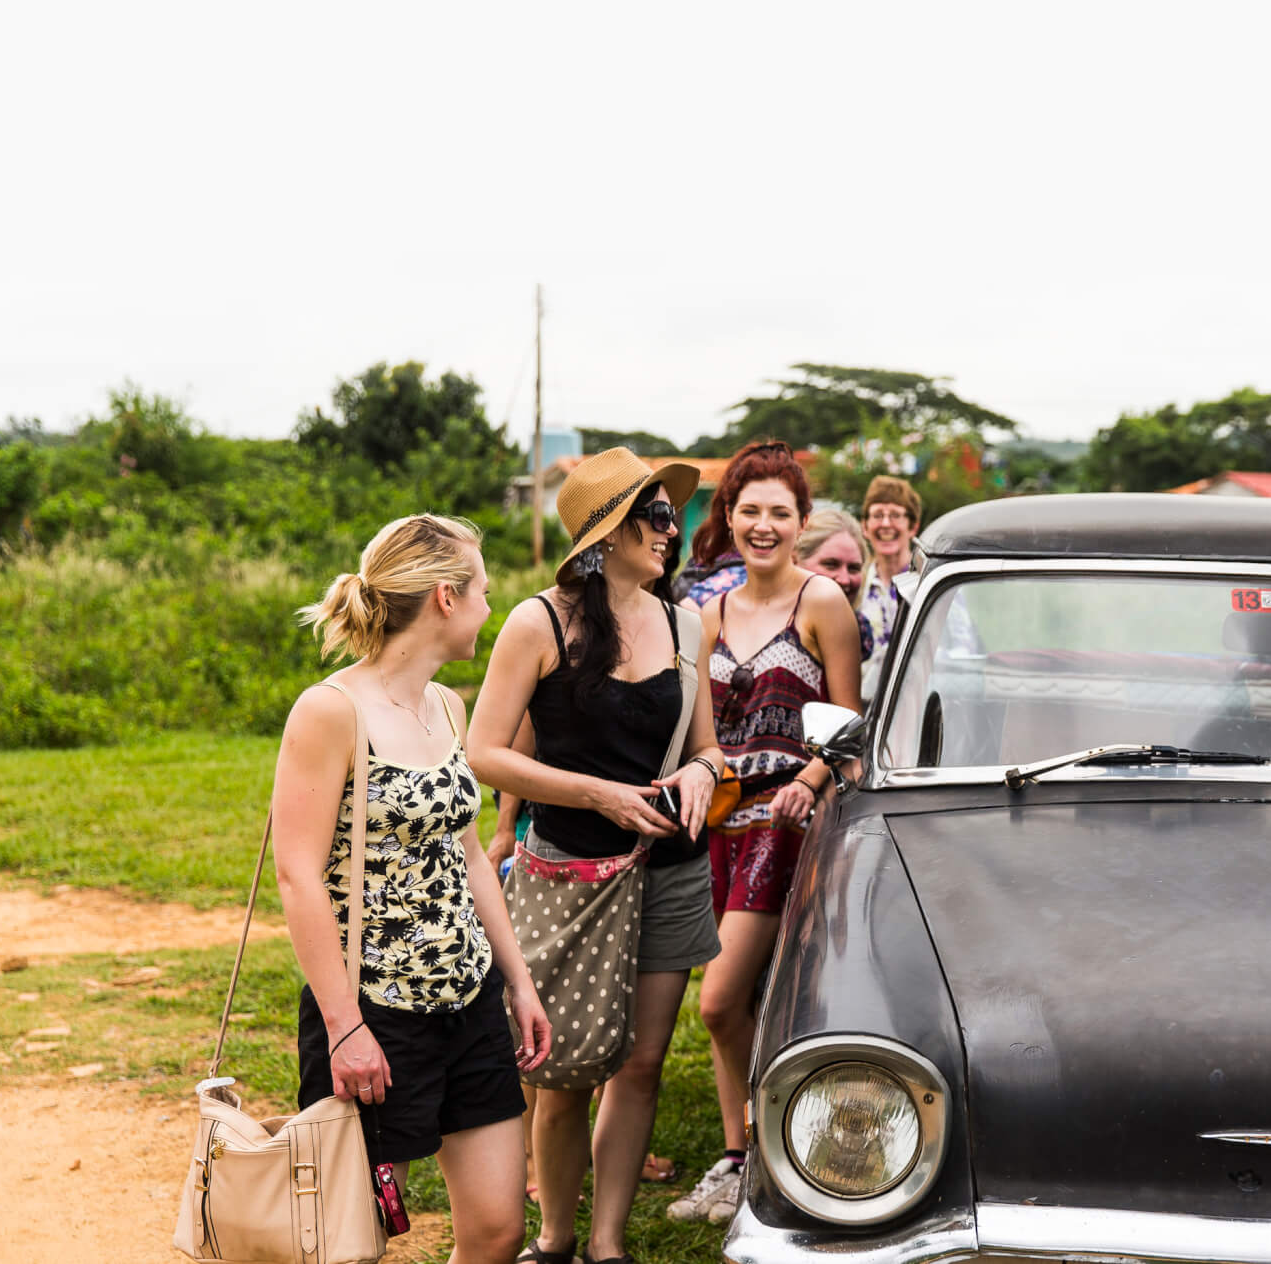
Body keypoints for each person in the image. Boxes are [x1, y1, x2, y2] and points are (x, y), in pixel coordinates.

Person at [468, 448, 727, 1264]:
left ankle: (607, 1244)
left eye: (671, 514)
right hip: (569, 870)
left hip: (669, 871)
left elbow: (713, 750)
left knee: (642, 1061)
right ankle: (555, 1237)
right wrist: (596, 794)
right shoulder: (536, 621)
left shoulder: (688, 622)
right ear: (605, 532)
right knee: (564, 1067)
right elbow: (483, 751)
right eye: (653, 513)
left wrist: (697, 769)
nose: (670, 528)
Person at [272, 514, 553, 1264]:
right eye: (485, 592)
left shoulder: (447, 705)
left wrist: (517, 980)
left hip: (469, 1001)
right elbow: (297, 874)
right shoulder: (331, 710)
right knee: (345, 1239)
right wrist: (343, 1025)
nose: (494, 609)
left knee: (497, 1229)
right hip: (374, 1012)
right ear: (445, 598)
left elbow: (465, 853)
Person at [667, 441, 863, 1226]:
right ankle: (740, 1157)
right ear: (729, 516)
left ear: (802, 521)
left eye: (780, 512)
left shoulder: (822, 603)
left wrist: (808, 783)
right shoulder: (707, 613)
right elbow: (698, 728)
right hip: (715, 825)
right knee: (736, 998)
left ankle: (763, 1150)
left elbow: (849, 720)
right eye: (750, 509)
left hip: (788, 824)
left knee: (718, 1002)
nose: (763, 524)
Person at [858, 475, 922, 698]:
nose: (886, 524)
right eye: (877, 515)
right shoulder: (854, 585)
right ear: (864, 527)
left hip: (914, 703)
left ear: (913, 526)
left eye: (895, 515)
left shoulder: (928, 585)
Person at [794, 507, 873, 661]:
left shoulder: (858, 635)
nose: (844, 579)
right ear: (795, 561)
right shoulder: (761, 624)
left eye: (853, 568)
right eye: (830, 564)